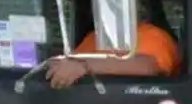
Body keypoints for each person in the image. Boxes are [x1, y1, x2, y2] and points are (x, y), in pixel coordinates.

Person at [44, 18, 182, 87]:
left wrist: (84, 65)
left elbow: (148, 65)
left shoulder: (152, 34)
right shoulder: (94, 37)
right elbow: (67, 67)